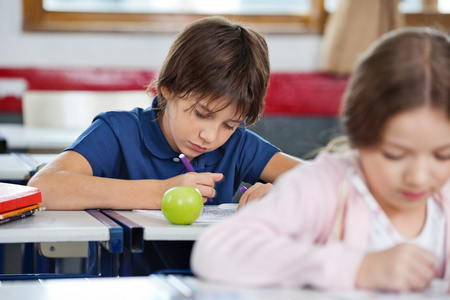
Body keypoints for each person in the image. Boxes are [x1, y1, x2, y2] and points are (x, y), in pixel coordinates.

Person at [27, 16, 302, 275]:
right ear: (167, 88)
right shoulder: (119, 132)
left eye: (230, 125)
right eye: (201, 114)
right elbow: (44, 187)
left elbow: (332, 185)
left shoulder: (238, 145)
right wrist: (160, 192)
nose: (210, 136)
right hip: (123, 289)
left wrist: (280, 197)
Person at [191, 27, 450, 293]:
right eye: (395, 155)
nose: (418, 176)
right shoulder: (324, 187)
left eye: (443, 155)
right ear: (360, 133)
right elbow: (216, 252)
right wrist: (356, 268)